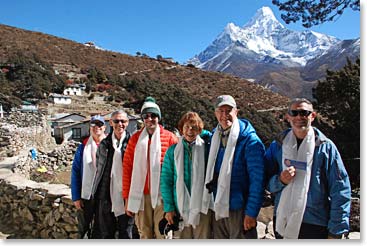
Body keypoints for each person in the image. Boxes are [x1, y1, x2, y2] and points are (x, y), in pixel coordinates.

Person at [264, 98, 351, 239]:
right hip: (282, 220)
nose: (299, 117)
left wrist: (336, 230)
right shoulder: (278, 146)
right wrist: (280, 180)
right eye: (294, 112)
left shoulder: (325, 148)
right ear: (288, 116)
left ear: (313, 116)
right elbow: (265, 179)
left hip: (314, 223)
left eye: (304, 113)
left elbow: (340, 190)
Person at [202, 95, 265, 239]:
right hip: (218, 206)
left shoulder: (249, 141)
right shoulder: (215, 137)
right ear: (215, 113)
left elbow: (258, 180)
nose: (225, 115)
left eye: (228, 110)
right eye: (220, 111)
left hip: (240, 209)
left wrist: (251, 212)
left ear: (236, 112)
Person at [123, 96, 178, 239]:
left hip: (163, 195)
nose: (149, 119)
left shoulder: (170, 138)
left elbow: (177, 171)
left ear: (158, 117)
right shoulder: (135, 139)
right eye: (146, 116)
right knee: (145, 234)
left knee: (163, 233)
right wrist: (127, 197)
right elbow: (127, 169)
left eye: (153, 115)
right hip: (141, 195)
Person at [160, 112, 213, 239]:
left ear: (199, 130)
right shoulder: (172, 151)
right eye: (187, 127)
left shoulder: (206, 149)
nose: (190, 130)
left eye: (194, 127)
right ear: (181, 129)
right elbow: (166, 181)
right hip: (180, 207)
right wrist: (169, 208)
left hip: (202, 207)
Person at [90, 110, 131, 239]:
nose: (120, 124)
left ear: (128, 123)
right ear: (111, 123)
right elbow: (99, 169)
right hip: (105, 193)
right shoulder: (104, 144)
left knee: (127, 232)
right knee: (106, 233)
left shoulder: (132, 143)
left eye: (123, 121)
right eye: (116, 121)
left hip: (126, 196)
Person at [71, 115, 106, 239]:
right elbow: (75, 171)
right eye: (93, 125)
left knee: (103, 227)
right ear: (90, 128)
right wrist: (76, 196)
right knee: (86, 226)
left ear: (104, 127)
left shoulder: (110, 146)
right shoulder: (83, 147)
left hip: (105, 195)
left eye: (99, 125)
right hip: (88, 195)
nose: (97, 127)